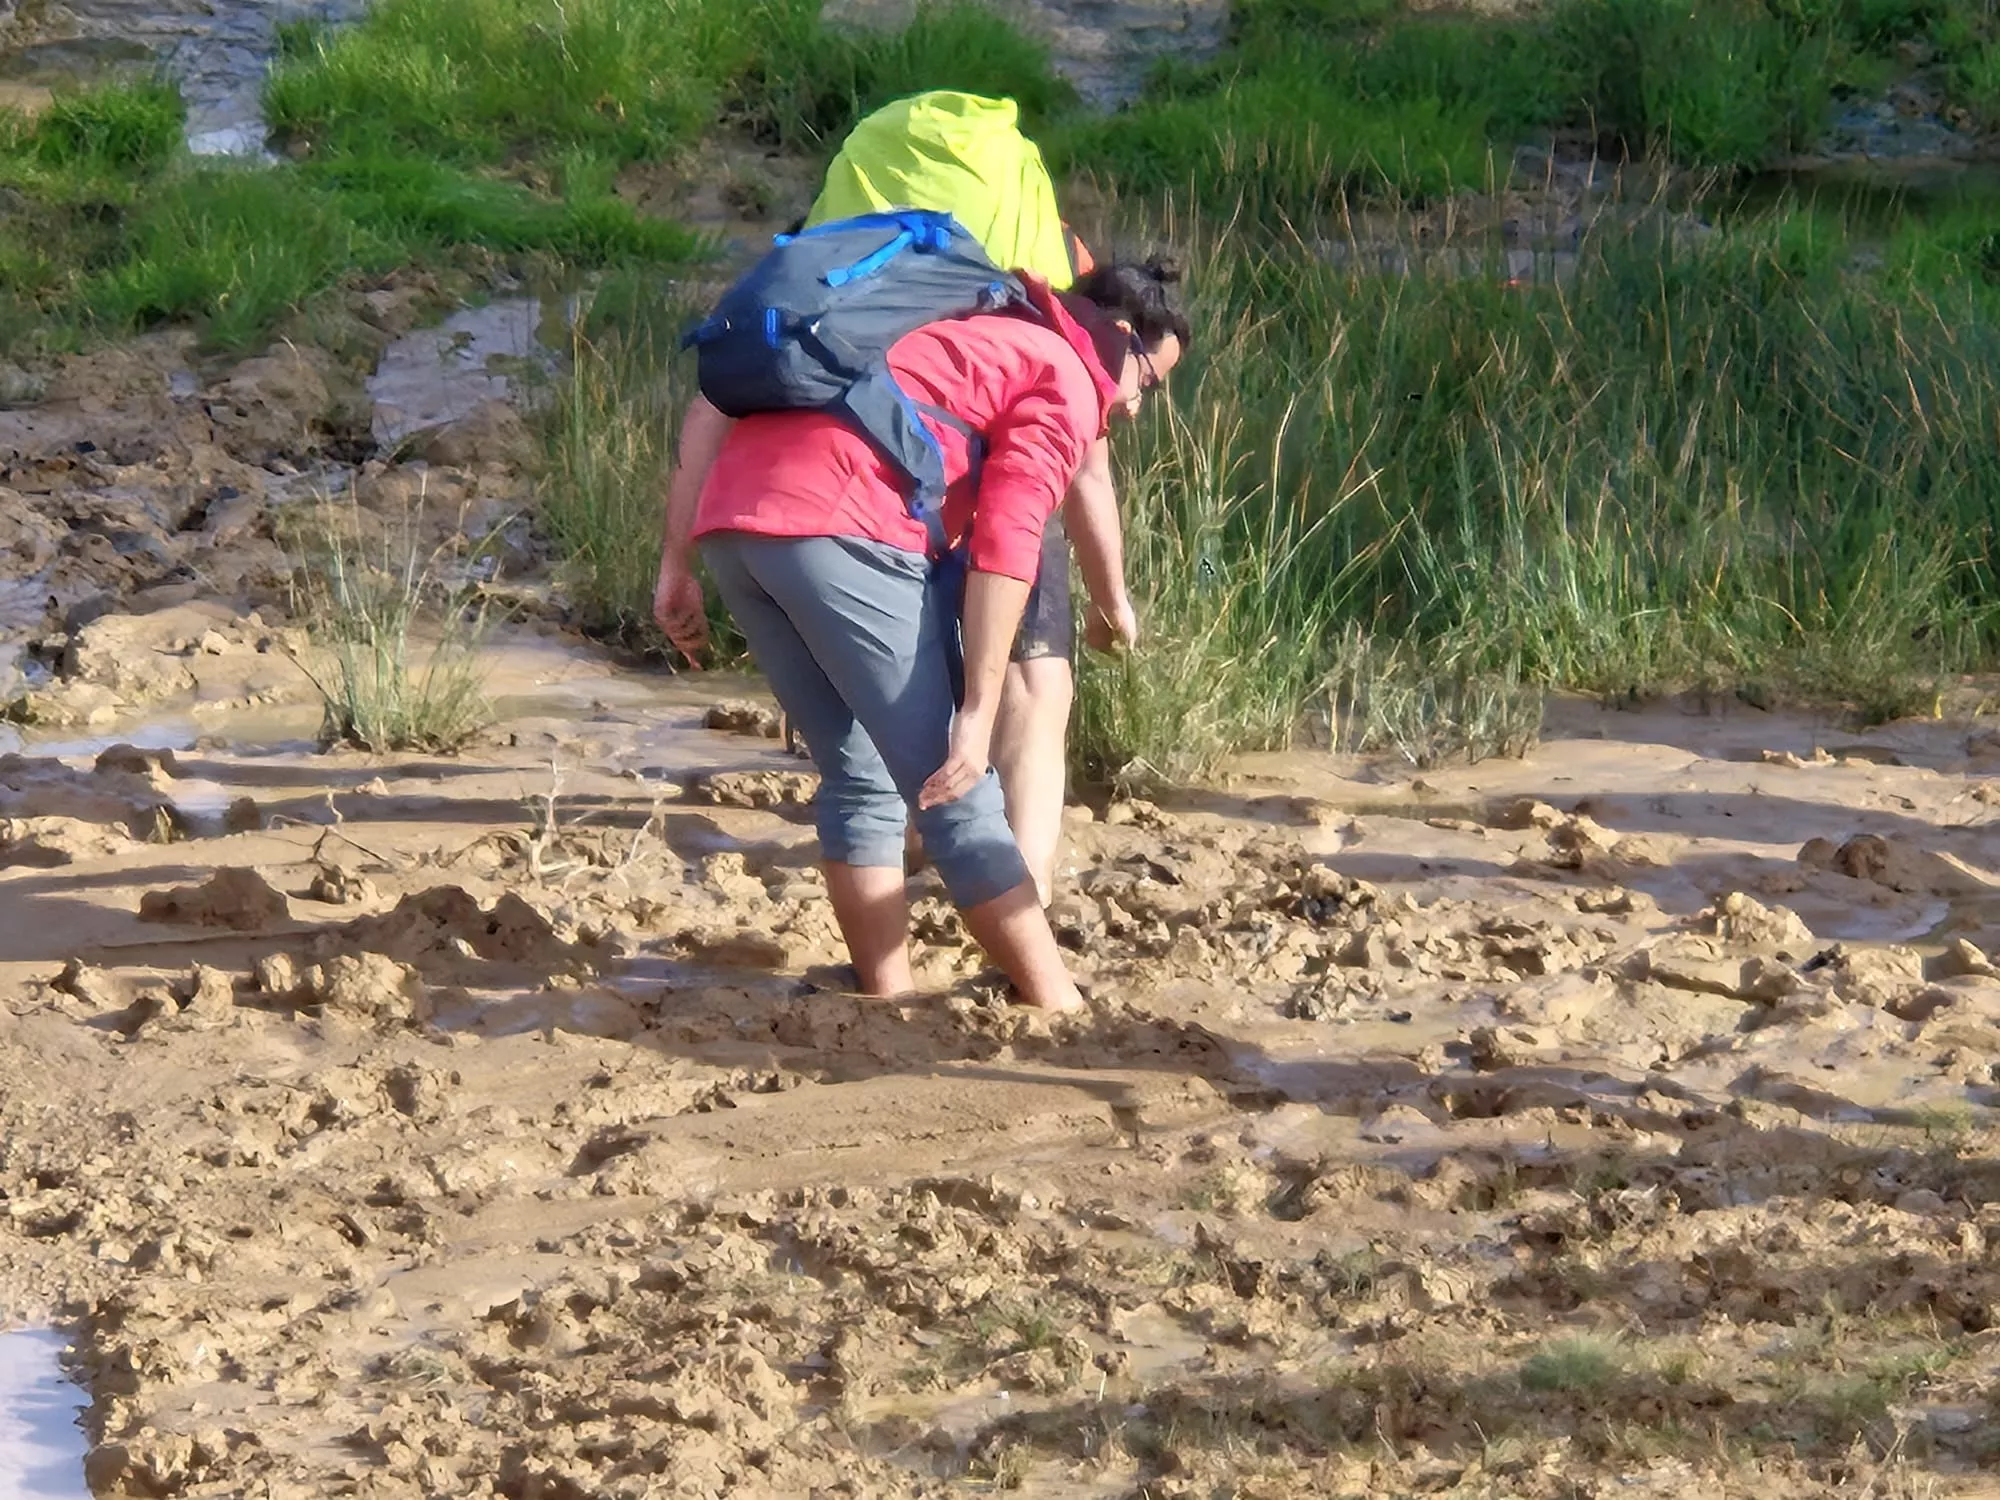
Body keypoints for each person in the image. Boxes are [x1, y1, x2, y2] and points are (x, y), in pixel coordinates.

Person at [652, 262, 1187, 1011]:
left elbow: (713, 405)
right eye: (1148, 385)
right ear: (1122, 339)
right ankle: (1057, 1003)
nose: (1133, 409)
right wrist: (979, 706)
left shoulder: (966, 317)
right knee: (955, 781)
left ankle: (886, 996)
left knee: (859, 773)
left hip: (739, 521)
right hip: (840, 524)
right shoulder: (1062, 370)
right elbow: (1009, 540)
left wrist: (674, 562)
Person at [685, 90, 1137, 909]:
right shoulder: (1046, 242)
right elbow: (1084, 451)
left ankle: (908, 848)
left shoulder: (844, 223)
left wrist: (673, 562)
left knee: (871, 706)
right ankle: (1016, 891)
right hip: (986, 475)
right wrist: (1113, 597)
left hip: (839, 485)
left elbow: (716, 404)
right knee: (1033, 690)